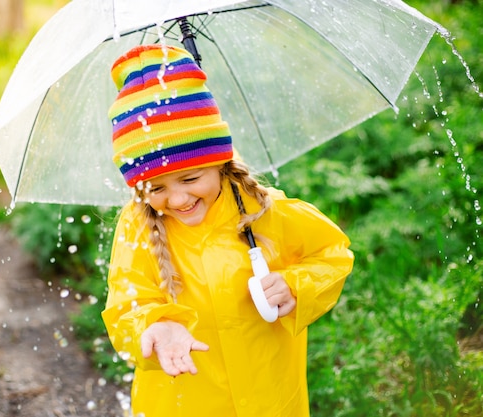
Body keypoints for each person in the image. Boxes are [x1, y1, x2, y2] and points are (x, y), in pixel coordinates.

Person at [101, 44, 354, 417]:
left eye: (190, 178)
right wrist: (154, 328)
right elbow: (127, 304)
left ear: (220, 163)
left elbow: (332, 254)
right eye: (157, 188)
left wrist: (296, 285)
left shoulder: (265, 210)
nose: (178, 198)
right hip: (181, 401)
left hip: (269, 396)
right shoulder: (137, 225)